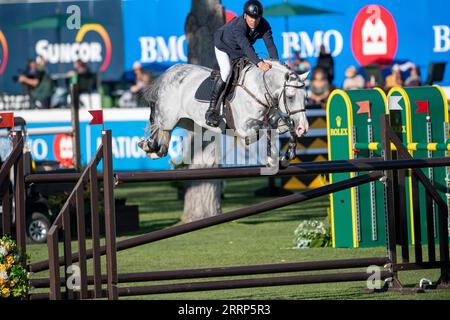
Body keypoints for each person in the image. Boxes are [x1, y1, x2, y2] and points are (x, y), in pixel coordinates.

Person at [205, 0, 279, 127]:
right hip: (223, 45)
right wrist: (259, 63)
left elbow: (271, 46)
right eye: (251, 17)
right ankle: (211, 109)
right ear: (245, 15)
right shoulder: (239, 26)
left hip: (239, 49)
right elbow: (246, 47)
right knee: (226, 71)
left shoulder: (264, 25)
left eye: (257, 18)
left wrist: (276, 66)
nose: (254, 21)